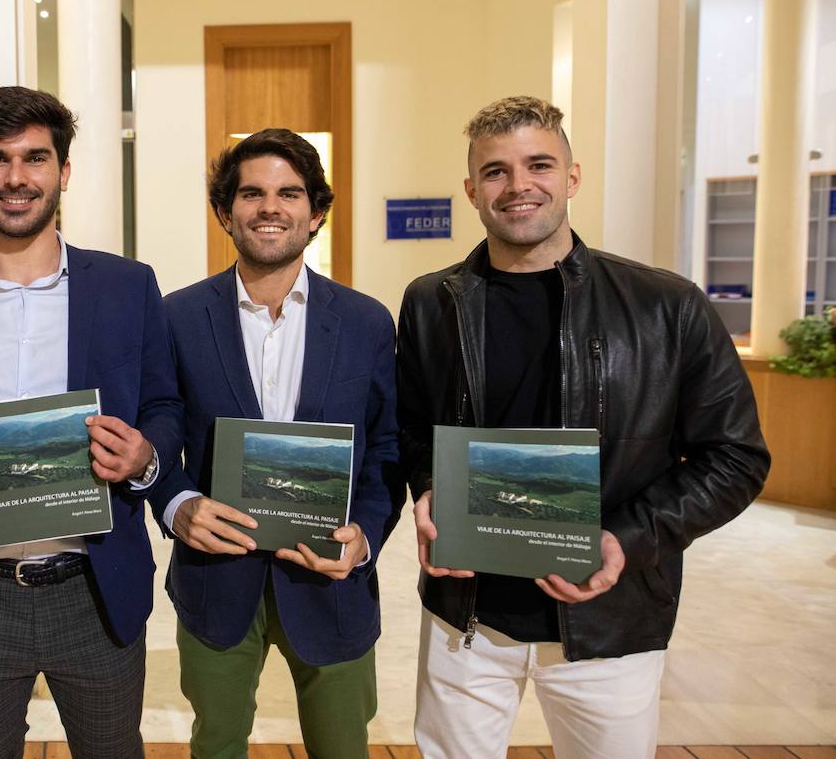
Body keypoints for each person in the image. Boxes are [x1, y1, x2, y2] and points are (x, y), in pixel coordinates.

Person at [397, 95, 770, 758]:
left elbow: (736, 457)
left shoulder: (668, 306)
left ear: (571, 176)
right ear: (471, 190)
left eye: (538, 164)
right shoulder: (432, 302)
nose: (518, 186)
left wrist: (626, 540)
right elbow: (416, 432)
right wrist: (429, 491)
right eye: (495, 172)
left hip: (609, 622)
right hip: (467, 618)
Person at [0, 85, 182, 759]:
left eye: (35, 158)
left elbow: (165, 407)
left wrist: (144, 455)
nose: (16, 178)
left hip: (94, 586)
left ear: (64, 172)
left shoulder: (127, 286)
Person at [147, 129, 404, 759]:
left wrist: (365, 537)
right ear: (225, 211)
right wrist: (178, 505)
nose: (270, 207)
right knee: (216, 745)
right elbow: (158, 432)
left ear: (315, 212)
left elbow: (387, 449)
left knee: (344, 747)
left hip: (330, 578)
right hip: (217, 577)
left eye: (289, 193)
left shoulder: (367, 321)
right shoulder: (177, 317)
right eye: (252, 193)